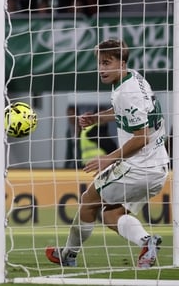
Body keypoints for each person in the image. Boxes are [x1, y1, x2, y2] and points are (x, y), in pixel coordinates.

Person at [45, 39, 169, 269]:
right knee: (111, 215)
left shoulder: (127, 93)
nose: (101, 69)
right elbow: (125, 113)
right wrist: (98, 117)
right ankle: (147, 243)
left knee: (88, 201)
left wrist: (109, 158)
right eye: (99, 63)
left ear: (121, 62)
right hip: (158, 168)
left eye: (107, 62)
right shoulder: (133, 78)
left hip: (138, 167)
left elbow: (141, 137)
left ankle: (68, 254)